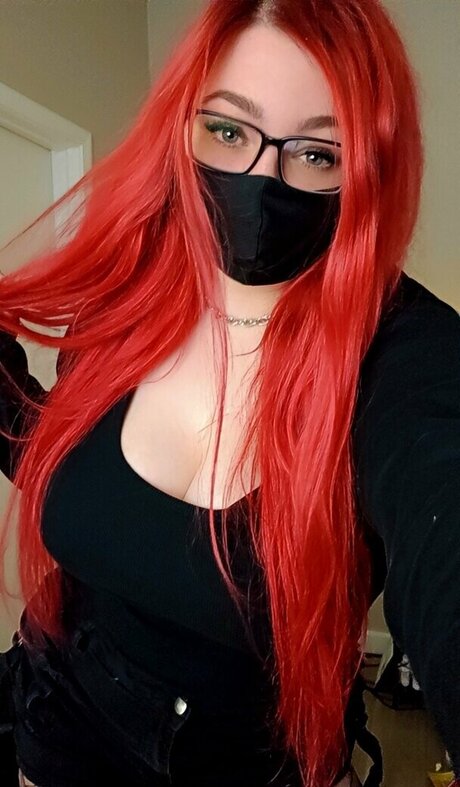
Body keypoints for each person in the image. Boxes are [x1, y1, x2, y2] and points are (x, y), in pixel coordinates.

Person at [0, 0, 459, 786]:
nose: (262, 181)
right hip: (61, 731)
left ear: (367, 170)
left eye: (316, 152)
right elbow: (55, 456)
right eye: (227, 130)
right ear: (182, 128)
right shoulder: (119, 304)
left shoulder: (399, 356)